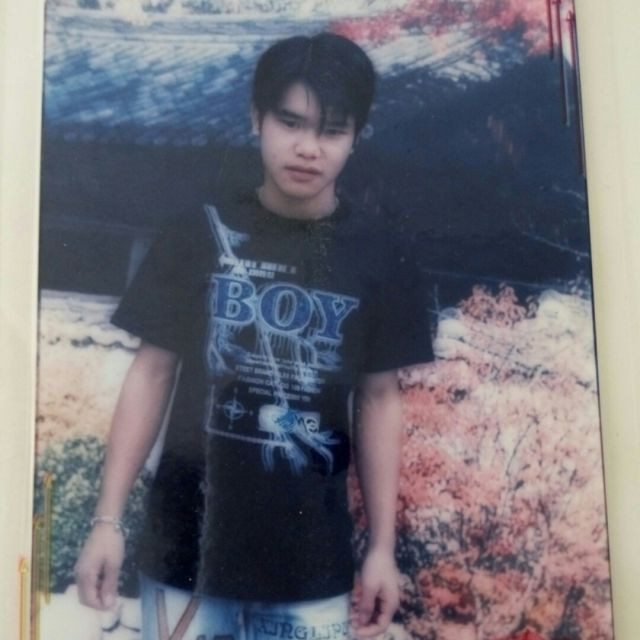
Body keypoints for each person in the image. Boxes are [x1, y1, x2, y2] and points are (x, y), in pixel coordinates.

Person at [75, 32, 433, 640]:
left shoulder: (381, 255)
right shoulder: (198, 232)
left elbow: (379, 400)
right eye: (290, 122)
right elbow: (151, 373)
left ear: (356, 136)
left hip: (311, 571)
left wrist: (381, 548)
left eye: (332, 131)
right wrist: (108, 521)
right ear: (256, 118)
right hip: (185, 554)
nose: (307, 148)